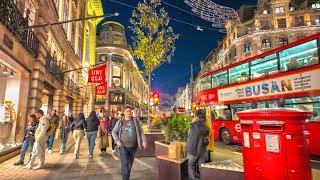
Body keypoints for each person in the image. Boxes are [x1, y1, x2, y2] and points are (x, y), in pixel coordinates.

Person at [112, 105, 147, 180]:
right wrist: (117, 140)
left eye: (130, 111)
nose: (129, 113)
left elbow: (141, 131)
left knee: (130, 164)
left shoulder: (135, 121)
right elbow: (113, 132)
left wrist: (144, 140)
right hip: (123, 146)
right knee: (125, 164)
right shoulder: (120, 122)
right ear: (124, 112)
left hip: (133, 146)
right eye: (127, 111)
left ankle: (126, 176)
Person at [187, 109, 210, 180]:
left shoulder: (192, 125)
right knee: (201, 167)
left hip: (193, 151)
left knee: (191, 166)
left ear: (196, 116)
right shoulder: (206, 127)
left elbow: (189, 137)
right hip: (202, 151)